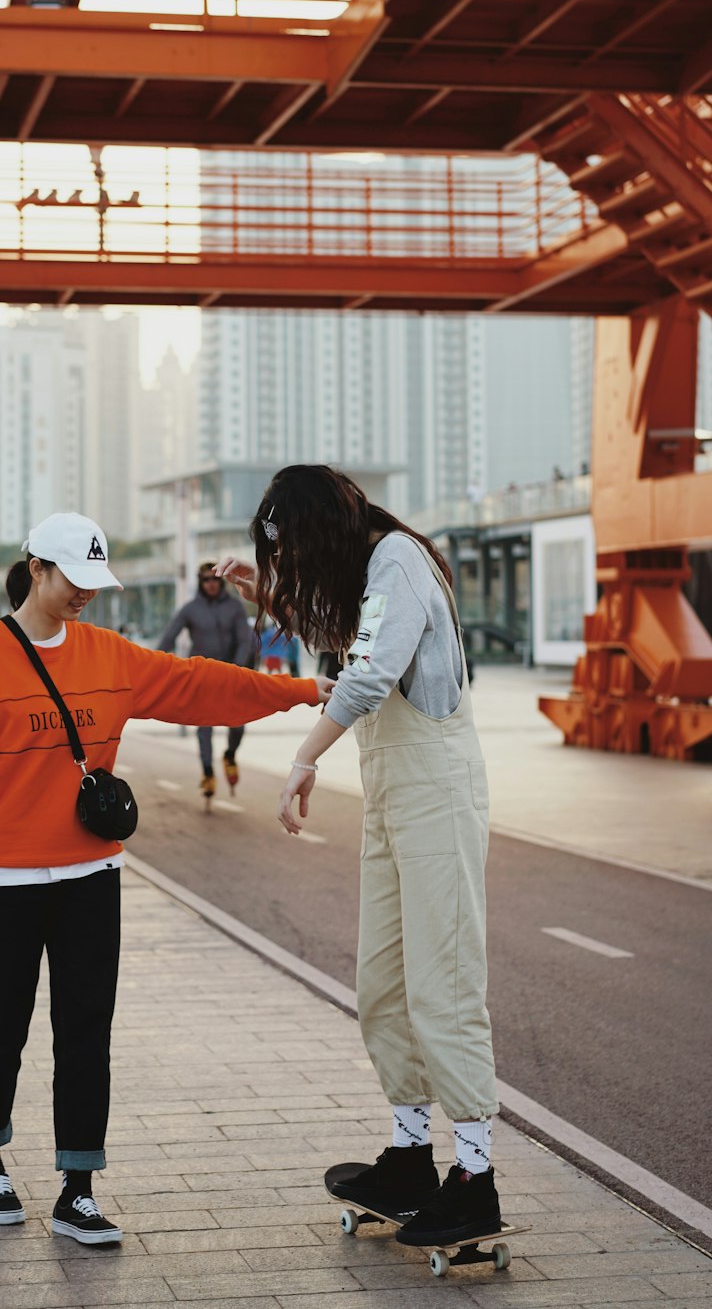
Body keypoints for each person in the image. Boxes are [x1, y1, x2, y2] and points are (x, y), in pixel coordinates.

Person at [0, 511, 331, 1245]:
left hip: (90, 876)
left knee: (85, 1033)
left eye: (97, 582)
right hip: (1, 881)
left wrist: (299, 690)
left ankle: (78, 1186)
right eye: (75, 579)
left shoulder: (109, 655)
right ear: (37, 568)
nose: (86, 595)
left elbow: (199, 686)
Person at [217, 465, 500, 1250]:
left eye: (295, 549)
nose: (294, 566)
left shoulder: (400, 560)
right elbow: (351, 634)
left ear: (327, 528)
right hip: (392, 797)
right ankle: (412, 1157)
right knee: (383, 983)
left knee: (442, 985)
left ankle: (475, 1179)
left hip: (437, 792)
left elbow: (369, 670)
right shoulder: (370, 572)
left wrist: (304, 758)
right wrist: (262, 593)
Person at [156, 560, 254, 797]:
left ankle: (230, 755)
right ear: (200, 583)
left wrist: (238, 669)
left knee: (238, 724)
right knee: (204, 727)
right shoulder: (190, 609)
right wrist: (154, 663)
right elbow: (169, 637)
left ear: (221, 581)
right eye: (205, 580)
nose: (210, 584)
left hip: (231, 675)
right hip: (201, 676)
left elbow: (245, 640)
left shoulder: (235, 607)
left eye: (214, 579)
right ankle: (208, 772)